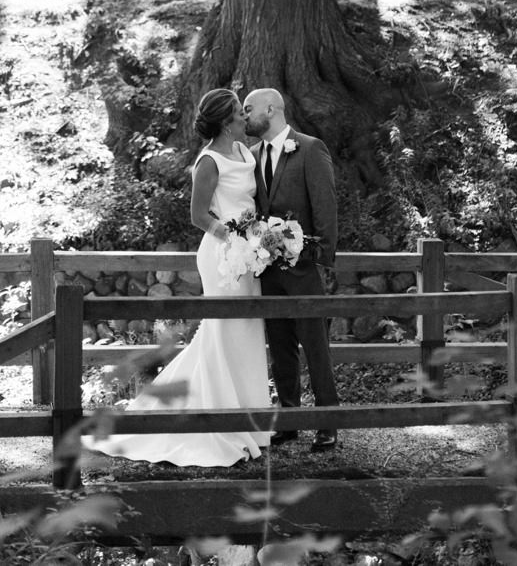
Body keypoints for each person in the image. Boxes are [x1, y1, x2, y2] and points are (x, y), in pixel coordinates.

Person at [82, 88, 274, 467]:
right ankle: (217, 422)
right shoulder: (208, 161)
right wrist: (235, 238)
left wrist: (257, 239)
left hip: (250, 254)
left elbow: (251, 202)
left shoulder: (243, 153)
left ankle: (249, 421)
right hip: (223, 255)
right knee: (223, 331)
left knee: (247, 331)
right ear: (224, 121)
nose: (244, 119)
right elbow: (198, 216)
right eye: (238, 113)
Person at [243, 86, 341, 452]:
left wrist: (319, 260)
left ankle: (327, 422)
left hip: (304, 269)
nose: (244, 115)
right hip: (267, 270)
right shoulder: (252, 156)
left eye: (249, 109)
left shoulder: (310, 148)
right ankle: (288, 419)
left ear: (272, 109)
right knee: (280, 346)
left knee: (316, 346)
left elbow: (326, 209)